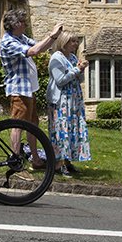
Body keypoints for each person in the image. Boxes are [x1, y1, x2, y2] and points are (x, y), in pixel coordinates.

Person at [0, 9, 63, 168]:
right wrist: (52, 35)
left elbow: (40, 47)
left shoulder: (20, 38)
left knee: (33, 123)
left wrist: (54, 37)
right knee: (18, 126)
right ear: (14, 24)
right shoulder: (8, 42)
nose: (26, 24)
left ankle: (35, 159)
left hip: (29, 90)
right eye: (22, 21)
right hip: (19, 91)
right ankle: (14, 160)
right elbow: (33, 51)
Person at [46, 31, 90, 177]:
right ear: (64, 42)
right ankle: (58, 164)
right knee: (61, 131)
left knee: (72, 130)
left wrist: (80, 70)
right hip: (61, 101)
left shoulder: (72, 57)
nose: (76, 44)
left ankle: (68, 162)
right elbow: (60, 80)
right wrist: (77, 69)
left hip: (73, 100)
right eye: (73, 41)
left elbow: (79, 79)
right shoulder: (56, 58)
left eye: (77, 41)